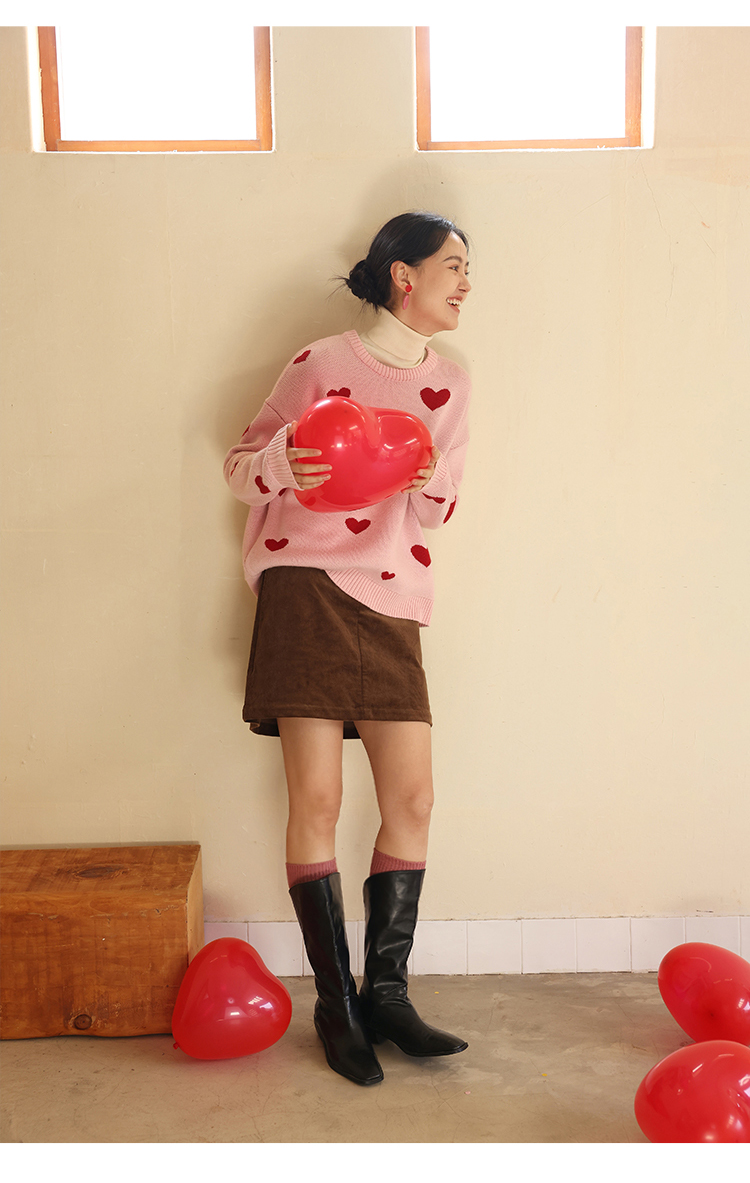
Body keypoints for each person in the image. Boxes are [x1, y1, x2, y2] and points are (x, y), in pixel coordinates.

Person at [223, 211, 472, 1086]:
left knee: (414, 796)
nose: (466, 283)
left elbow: (442, 508)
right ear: (405, 275)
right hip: (304, 588)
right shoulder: (320, 362)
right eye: (453, 266)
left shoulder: (452, 382)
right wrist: (283, 464)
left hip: (392, 595)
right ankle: (337, 1003)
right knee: (319, 797)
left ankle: (388, 994)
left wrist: (425, 477)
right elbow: (240, 464)